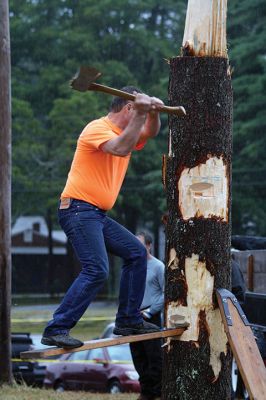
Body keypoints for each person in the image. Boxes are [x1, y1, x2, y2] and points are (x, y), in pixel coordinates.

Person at [41, 87, 164, 349]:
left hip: (95, 214)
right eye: (137, 110)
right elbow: (120, 149)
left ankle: (128, 319)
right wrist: (142, 113)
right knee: (97, 269)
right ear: (129, 108)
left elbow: (150, 132)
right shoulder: (97, 128)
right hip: (77, 209)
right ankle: (57, 328)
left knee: (136, 252)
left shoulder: (127, 131)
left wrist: (153, 113)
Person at [130, 232, 165, 400]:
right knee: (138, 357)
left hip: (150, 317)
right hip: (133, 318)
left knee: (154, 358)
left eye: (140, 244)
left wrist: (150, 311)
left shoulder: (158, 266)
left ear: (149, 246)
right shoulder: (132, 265)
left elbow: (166, 293)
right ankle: (145, 393)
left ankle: (157, 393)